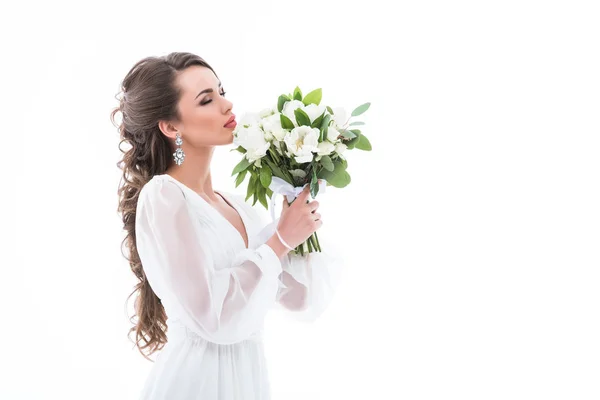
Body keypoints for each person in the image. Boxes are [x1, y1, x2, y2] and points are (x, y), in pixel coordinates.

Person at [111, 52, 343, 399]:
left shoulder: (239, 205)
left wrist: (297, 223)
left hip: (247, 382)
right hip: (196, 384)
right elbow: (213, 316)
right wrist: (279, 241)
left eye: (221, 91)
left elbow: (299, 298)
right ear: (171, 126)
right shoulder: (164, 197)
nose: (226, 104)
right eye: (207, 99)